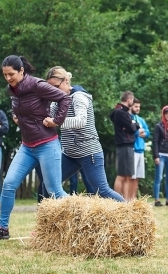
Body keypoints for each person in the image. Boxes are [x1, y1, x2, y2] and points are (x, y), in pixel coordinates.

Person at [0, 56, 70, 241]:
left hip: (47, 144)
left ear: (22, 71)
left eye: (11, 74)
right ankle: (3, 228)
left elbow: (64, 98)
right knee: (9, 184)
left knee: (54, 190)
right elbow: (20, 107)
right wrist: (16, 114)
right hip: (27, 147)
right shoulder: (12, 89)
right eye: (5, 75)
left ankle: (75, 226)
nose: (8, 78)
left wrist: (56, 121)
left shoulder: (37, 85)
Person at [41, 66, 125, 202]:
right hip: (69, 154)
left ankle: (130, 214)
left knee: (102, 190)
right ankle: (54, 221)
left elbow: (81, 121)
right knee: (49, 185)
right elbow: (45, 116)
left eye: (56, 86)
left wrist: (56, 122)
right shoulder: (57, 101)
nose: (53, 91)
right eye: (50, 88)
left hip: (89, 152)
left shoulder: (79, 97)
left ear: (66, 81)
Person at [109, 91, 139, 201]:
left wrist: (133, 124)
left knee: (128, 175)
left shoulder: (124, 112)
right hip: (124, 144)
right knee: (121, 175)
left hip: (128, 145)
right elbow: (132, 128)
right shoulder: (120, 112)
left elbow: (134, 126)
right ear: (129, 99)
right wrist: (132, 125)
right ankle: (117, 200)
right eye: (132, 99)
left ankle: (125, 201)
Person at [131, 98, 150, 200]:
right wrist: (138, 133)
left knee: (137, 177)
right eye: (135, 106)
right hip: (133, 150)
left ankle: (134, 198)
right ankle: (128, 198)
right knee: (131, 177)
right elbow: (133, 132)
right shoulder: (130, 118)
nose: (137, 108)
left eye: (139, 107)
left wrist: (143, 133)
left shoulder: (141, 120)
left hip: (140, 150)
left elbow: (147, 132)